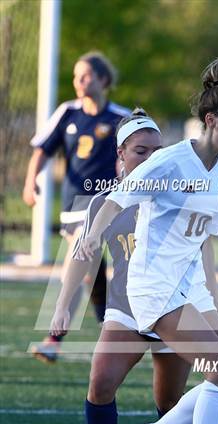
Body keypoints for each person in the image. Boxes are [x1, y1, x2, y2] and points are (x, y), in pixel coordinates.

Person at [80, 58, 218, 424]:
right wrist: (90, 238)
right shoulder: (169, 161)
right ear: (210, 120)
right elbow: (117, 199)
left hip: (185, 287)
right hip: (152, 287)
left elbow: (203, 243)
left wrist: (215, 300)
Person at [50, 108, 218, 424]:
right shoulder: (105, 202)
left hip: (176, 302)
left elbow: (203, 244)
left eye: (157, 149)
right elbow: (81, 257)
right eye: (141, 151)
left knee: (172, 399)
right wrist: (61, 306)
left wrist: (214, 300)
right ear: (120, 155)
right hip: (127, 311)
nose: (151, 158)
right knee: (100, 383)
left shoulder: (177, 188)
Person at [23, 51, 130, 363]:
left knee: (86, 266)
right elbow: (42, 150)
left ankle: (58, 338)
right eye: (75, 76)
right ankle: (101, 328)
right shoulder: (67, 113)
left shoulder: (120, 118)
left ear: (103, 80)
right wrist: (31, 182)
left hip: (111, 205)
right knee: (86, 265)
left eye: (85, 76)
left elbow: (144, 153)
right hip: (74, 207)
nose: (78, 82)